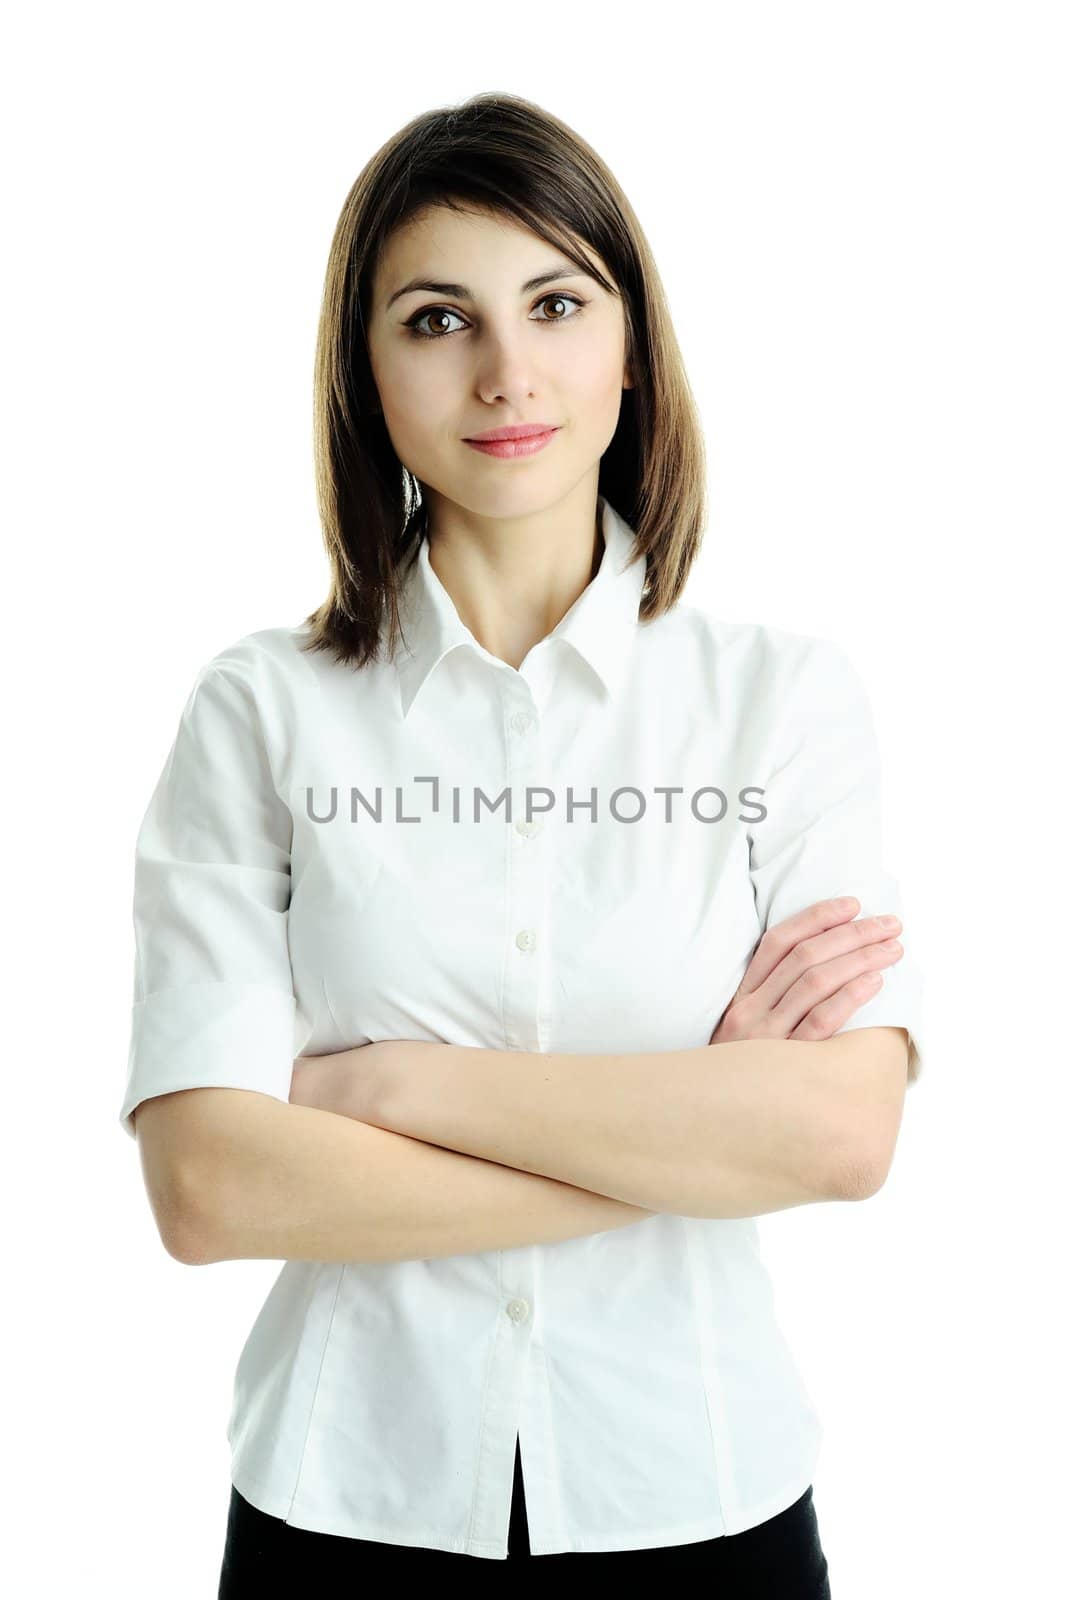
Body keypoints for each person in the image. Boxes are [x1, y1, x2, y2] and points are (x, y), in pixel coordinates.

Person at [120, 91, 925, 1593]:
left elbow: (835, 1134)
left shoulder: (777, 701)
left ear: (630, 343)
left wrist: (388, 1090)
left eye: (555, 301)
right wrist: (690, 1137)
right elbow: (211, 1188)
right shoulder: (262, 712)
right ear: (365, 371)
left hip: (698, 1504)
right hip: (344, 1513)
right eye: (437, 320)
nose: (506, 372)